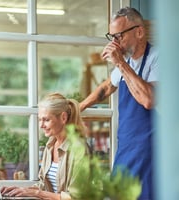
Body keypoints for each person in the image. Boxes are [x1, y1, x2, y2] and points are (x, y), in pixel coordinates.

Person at [79, 7, 158, 200]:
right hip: (126, 149)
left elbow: (149, 100)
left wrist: (120, 63)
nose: (114, 42)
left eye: (119, 36)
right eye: (111, 36)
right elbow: (106, 88)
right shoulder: (128, 62)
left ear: (139, 32)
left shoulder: (158, 58)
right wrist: (78, 107)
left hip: (149, 152)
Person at [1, 92, 88, 200]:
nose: (41, 125)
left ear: (63, 118)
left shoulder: (79, 149)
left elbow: (75, 197)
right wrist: (20, 190)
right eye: (40, 120)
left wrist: (37, 193)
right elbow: (43, 185)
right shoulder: (50, 146)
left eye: (46, 120)